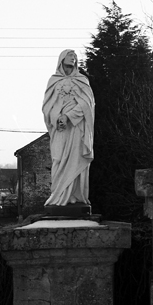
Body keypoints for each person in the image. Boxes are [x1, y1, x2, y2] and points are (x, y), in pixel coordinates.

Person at [42, 49, 95, 207]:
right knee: (58, 158)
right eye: (70, 56)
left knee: (75, 159)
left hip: (76, 128)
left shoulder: (82, 80)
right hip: (60, 129)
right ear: (62, 59)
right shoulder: (53, 81)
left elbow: (87, 104)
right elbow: (46, 107)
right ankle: (58, 196)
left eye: (75, 57)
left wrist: (69, 117)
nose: (73, 58)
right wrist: (57, 118)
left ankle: (75, 197)